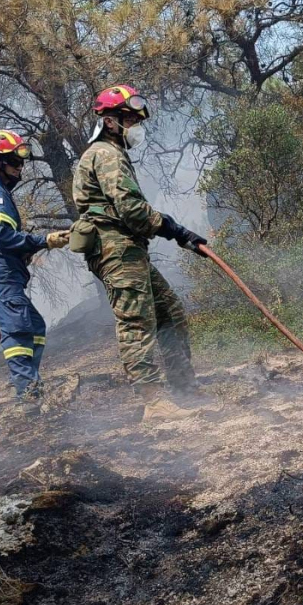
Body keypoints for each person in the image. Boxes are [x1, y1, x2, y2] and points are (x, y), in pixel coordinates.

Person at [71, 84, 207, 421]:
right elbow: (130, 208)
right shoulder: (105, 153)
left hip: (129, 248)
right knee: (137, 322)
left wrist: (173, 229)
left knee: (169, 312)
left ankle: (184, 389)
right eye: (131, 119)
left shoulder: (111, 154)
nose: (136, 127)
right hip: (115, 248)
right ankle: (154, 403)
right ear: (112, 121)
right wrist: (172, 228)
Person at [0, 129, 69, 403]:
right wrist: (43, 241)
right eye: (16, 161)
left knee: (34, 327)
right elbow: (2, 235)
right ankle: (29, 397)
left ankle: (30, 385)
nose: (21, 167)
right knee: (20, 330)